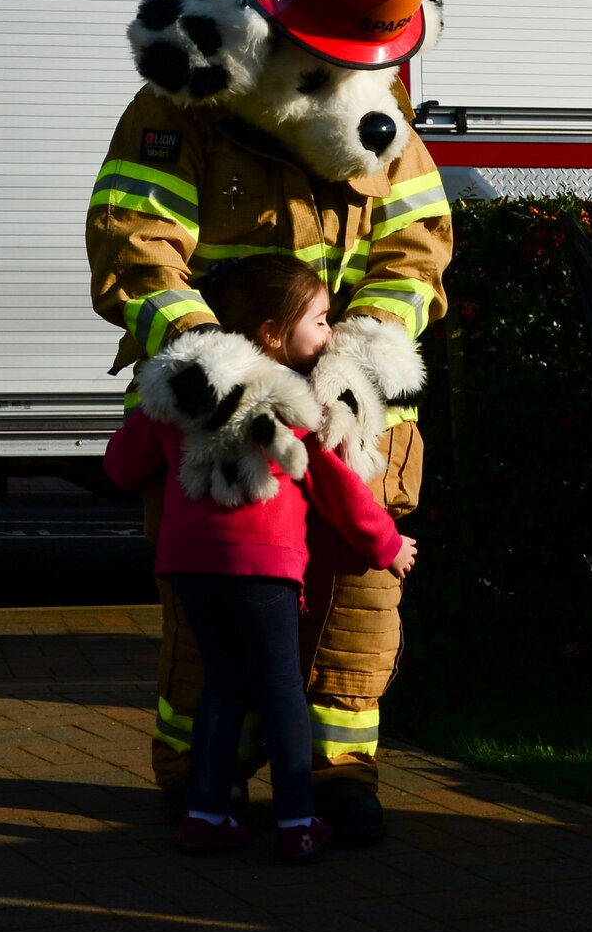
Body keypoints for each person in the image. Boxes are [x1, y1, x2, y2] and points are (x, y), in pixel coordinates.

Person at [103, 253, 419, 863]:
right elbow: (336, 490)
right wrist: (388, 545)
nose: (330, 333)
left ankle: (205, 815)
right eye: (322, 321)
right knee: (280, 691)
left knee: (221, 686)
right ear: (274, 334)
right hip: (264, 570)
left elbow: (119, 466)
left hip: (189, 567)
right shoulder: (292, 400)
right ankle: (299, 821)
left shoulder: (181, 387)